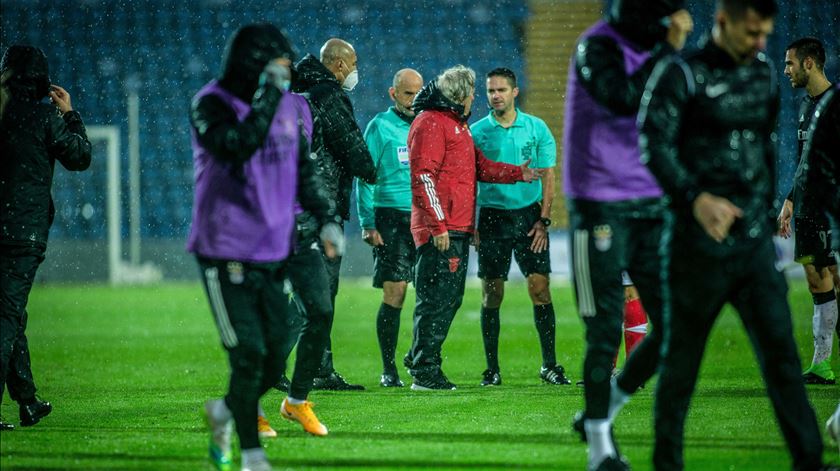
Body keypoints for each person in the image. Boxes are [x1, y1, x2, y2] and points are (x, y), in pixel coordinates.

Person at [638, 1, 826, 469]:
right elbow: (651, 144)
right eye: (751, 33)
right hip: (694, 248)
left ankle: (810, 461)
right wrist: (694, 197)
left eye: (766, 34)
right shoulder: (679, 75)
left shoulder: (763, 74)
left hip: (752, 248)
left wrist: (766, 216)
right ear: (723, 23)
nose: (761, 44)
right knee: (680, 368)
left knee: (782, 359)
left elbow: (763, 147)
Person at [189, 24, 340, 471]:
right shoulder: (211, 103)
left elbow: (301, 168)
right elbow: (236, 147)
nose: (284, 73)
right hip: (225, 247)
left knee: (275, 353)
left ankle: (225, 409)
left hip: (275, 245)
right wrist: (269, 100)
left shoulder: (285, 108)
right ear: (253, 62)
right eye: (277, 64)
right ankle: (253, 455)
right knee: (249, 351)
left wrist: (327, 216)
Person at [561, 0, 692, 468]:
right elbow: (625, 97)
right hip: (597, 201)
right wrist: (670, 49)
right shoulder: (596, 46)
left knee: (676, 325)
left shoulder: (656, 47)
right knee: (603, 331)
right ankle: (600, 450)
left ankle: (604, 409)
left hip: (649, 202)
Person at [405, 65, 542, 390]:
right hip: (443, 228)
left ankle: (420, 358)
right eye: (472, 93)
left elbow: (477, 166)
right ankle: (425, 371)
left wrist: (514, 173)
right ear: (460, 96)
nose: (475, 98)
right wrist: (437, 226)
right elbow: (423, 177)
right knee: (438, 298)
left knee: (446, 298)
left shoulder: (453, 124)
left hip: (455, 226)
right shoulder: (432, 123)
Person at [0, 44, 92, 431]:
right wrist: (70, 115)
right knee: (6, 314)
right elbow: (80, 157)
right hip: (23, 232)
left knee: (10, 313)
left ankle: (28, 401)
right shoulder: (44, 117)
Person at [470, 67, 569, 387]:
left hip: (529, 218)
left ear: (515, 92)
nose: (495, 96)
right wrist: (472, 222)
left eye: (501, 90)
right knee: (491, 293)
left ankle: (550, 365)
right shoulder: (477, 132)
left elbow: (549, 176)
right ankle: (492, 370)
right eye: (490, 91)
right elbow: (468, 180)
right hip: (493, 217)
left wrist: (544, 219)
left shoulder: (537, 128)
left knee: (540, 289)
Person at [291, 38, 377, 391]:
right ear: (338, 65)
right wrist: (370, 170)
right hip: (318, 206)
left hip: (293, 205)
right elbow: (349, 143)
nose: (355, 72)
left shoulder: (296, 92)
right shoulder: (327, 94)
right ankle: (307, 369)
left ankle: (317, 368)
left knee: (304, 292)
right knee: (318, 292)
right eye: (353, 64)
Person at [776, 37, 838, 385]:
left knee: (829, 278)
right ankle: (821, 364)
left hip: (830, 206)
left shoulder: (835, 104)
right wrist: (790, 199)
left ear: (809, 63)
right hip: (809, 206)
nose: (786, 70)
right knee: (818, 278)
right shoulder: (805, 107)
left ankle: (823, 362)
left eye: (790, 64)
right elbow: (805, 162)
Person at [356, 68, 423, 388]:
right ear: (392, 93)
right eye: (407, 93)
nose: (413, 99)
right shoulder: (379, 127)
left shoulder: (426, 126)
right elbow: (365, 176)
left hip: (424, 218)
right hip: (390, 219)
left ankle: (421, 360)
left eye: (418, 93)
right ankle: (388, 368)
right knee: (395, 292)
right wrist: (368, 222)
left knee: (430, 293)